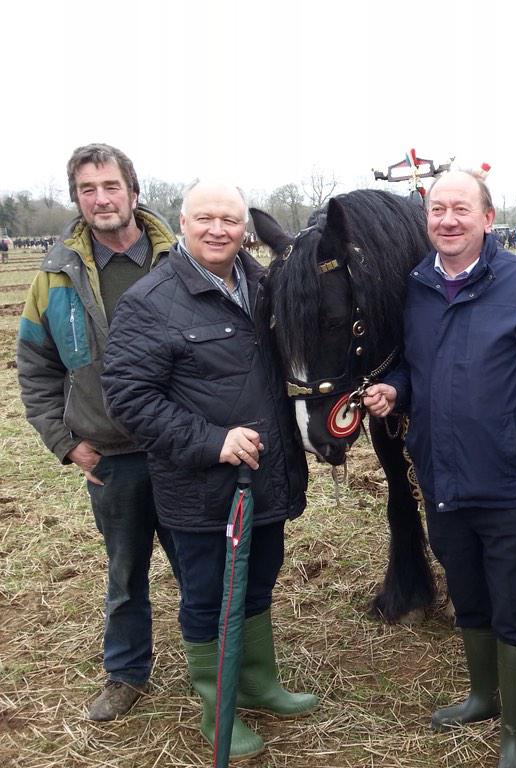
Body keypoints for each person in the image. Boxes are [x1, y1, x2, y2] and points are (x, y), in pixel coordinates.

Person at [363, 170, 516, 768]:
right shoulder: (416, 287)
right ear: (426, 219)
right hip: (442, 477)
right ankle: (483, 696)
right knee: (466, 589)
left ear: (488, 219)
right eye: (438, 210)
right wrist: (395, 390)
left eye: (461, 209)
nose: (448, 220)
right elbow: (414, 367)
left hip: (513, 481)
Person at [101, 180, 314, 759]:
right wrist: (212, 441)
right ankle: (217, 710)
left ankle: (259, 683)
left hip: (266, 476)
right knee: (207, 595)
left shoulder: (265, 285)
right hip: (200, 487)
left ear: (245, 228)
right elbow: (129, 398)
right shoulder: (151, 301)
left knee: (260, 578)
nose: (218, 230)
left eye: (230, 220)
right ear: (182, 223)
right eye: (205, 218)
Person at [16, 143, 180, 722]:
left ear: (133, 191)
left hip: (180, 448)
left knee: (199, 566)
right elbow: (35, 367)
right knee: (126, 572)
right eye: (88, 189)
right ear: (77, 199)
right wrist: (66, 443)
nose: (101, 198)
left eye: (111, 186)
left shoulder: (177, 261)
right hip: (111, 456)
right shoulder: (54, 278)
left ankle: (216, 665)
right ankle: (126, 672)